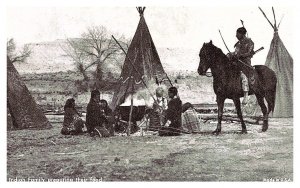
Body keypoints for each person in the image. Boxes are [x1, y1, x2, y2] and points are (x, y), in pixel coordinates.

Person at [227, 27, 254, 104]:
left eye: (237, 34)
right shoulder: (238, 44)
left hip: (245, 63)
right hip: (237, 63)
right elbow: (235, 52)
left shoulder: (249, 42)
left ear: (242, 34)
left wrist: (240, 56)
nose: (236, 35)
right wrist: (230, 54)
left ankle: (245, 95)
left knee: (243, 76)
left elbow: (249, 53)